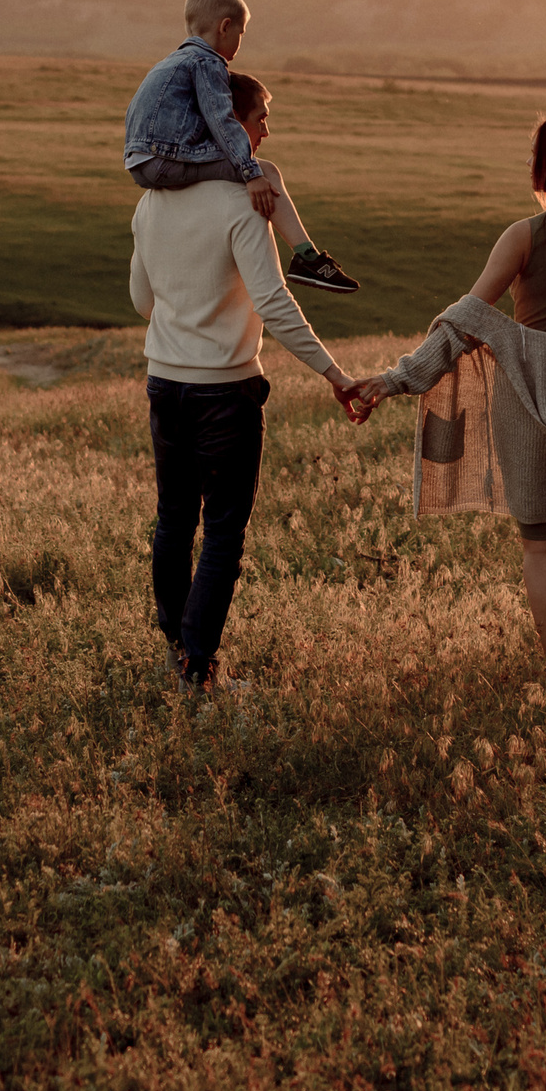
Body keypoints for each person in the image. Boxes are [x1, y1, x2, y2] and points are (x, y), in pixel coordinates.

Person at [353, 116, 546, 675]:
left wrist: (395, 379)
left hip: (529, 407)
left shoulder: (523, 236)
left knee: (541, 547)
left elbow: (464, 322)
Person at [131, 70, 363, 692]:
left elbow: (138, 298)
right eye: (262, 116)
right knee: (223, 533)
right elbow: (275, 304)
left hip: (164, 384)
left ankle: (177, 648)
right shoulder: (245, 201)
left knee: (173, 519)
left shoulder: (150, 201)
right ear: (231, 124)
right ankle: (198, 669)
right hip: (223, 393)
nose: (268, 128)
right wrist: (334, 374)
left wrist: (184, 316)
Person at [123, 0, 361, 295]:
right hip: (165, 159)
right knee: (268, 171)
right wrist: (249, 172)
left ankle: (309, 258)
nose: (240, 42)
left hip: (140, 160)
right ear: (225, 27)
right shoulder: (207, 63)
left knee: (258, 169)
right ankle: (308, 258)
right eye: (242, 33)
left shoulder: (170, 63)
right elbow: (222, 120)